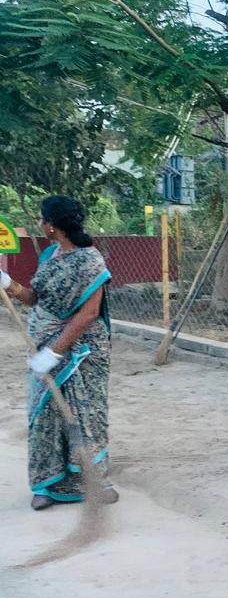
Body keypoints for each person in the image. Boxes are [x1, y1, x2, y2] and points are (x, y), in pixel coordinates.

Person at [0, 195, 117, 510]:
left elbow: (89, 313)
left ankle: (95, 482)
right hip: (45, 344)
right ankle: (46, 486)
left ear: (51, 225)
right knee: (44, 415)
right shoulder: (50, 255)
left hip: (84, 352)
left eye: (42, 219)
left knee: (86, 415)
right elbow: (33, 298)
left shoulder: (90, 261)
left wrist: (54, 352)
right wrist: (7, 283)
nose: (40, 224)